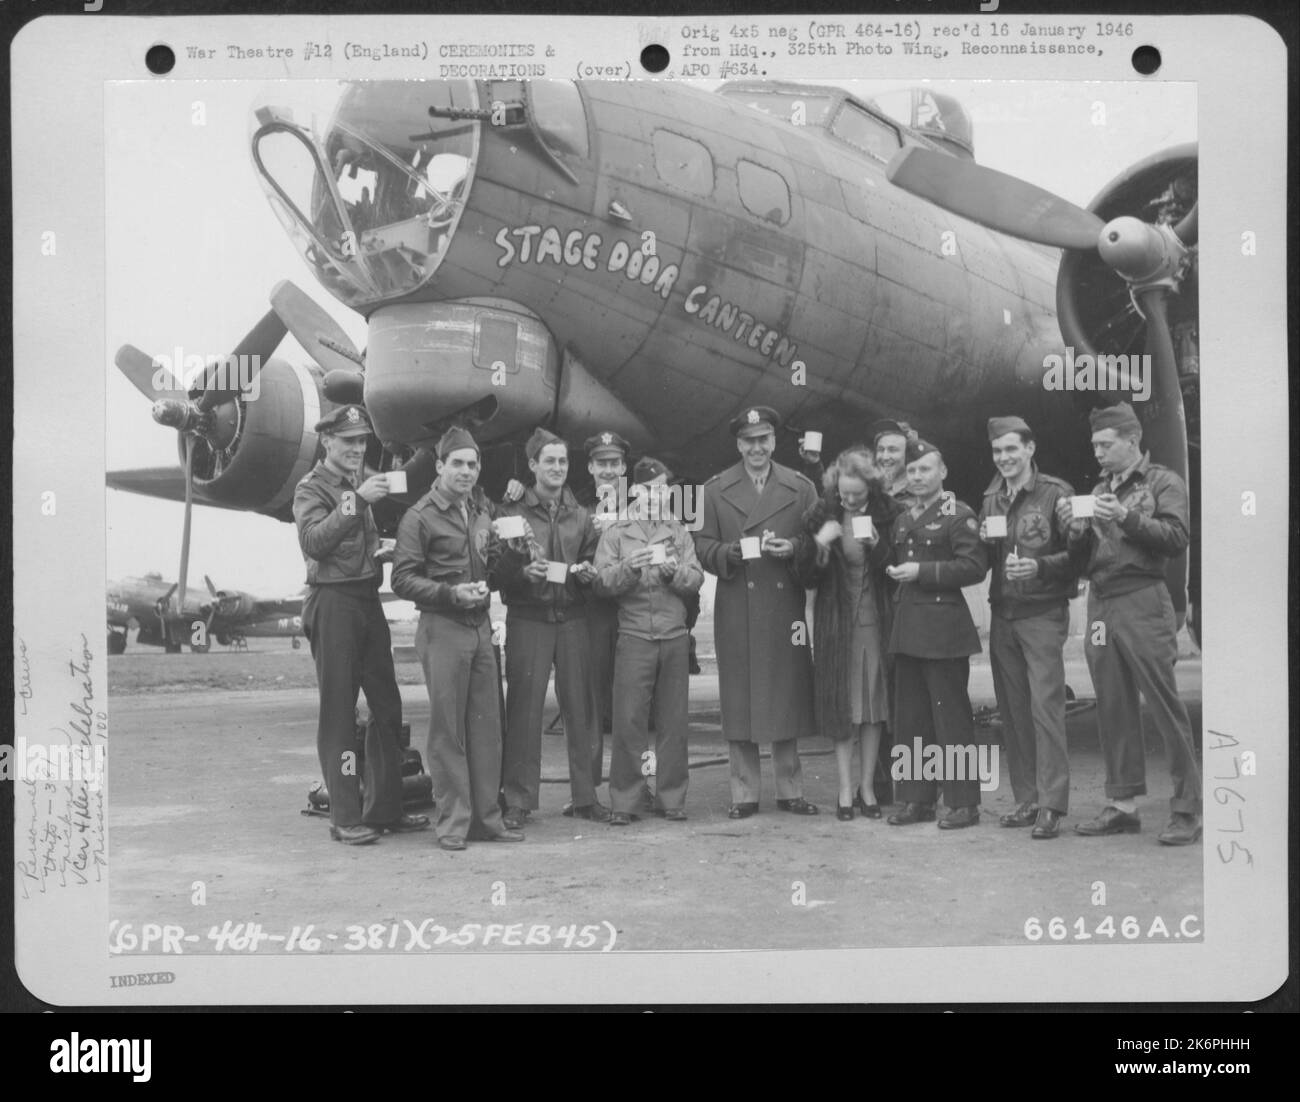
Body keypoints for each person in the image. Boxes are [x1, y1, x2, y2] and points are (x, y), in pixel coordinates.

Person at [1060, 402, 1202, 846]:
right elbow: (1081, 562)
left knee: (1163, 703)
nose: (1098, 454)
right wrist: (1075, 530)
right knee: (1113, 703)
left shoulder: (1163, 482)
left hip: (1142, 598)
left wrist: (1126, 516)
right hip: (1101, 602)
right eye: (1095, 446)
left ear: (1132, 441)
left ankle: (1187, 808)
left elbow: (1177, 538)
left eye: (1106, 444)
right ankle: (1122, 805)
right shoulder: (1101, 488)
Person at [293, 404, 428, 845]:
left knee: (387, 707)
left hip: (366, 601)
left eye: (361, 440)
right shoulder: (312, 488)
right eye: (347, 440)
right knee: (339, 714)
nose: (356, 448)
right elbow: (314, 541)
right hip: (333, 604)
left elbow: (348, 543)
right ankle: (346, 815)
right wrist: (357, 501)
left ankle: (386, 809)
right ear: (326, 441)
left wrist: (381, 550)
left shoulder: (354, 485)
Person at [391, 426, 523, 851]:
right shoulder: (419, 516)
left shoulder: (482, 512)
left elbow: (495, 574)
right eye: (458, 464)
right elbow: (402, 579)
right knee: (449, 730)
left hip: (481, 629)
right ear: (440, 466)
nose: (466, 471)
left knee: (488, 729)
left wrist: (514, 559)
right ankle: (453, 821)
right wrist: (449, 593)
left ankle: (487, 819)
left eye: (473, 464)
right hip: (443, 629)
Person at [693, 406, 820, 819]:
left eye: (764, 439)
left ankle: (790, 789)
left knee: (787, 693)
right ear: (738, 444)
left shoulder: (801, 487)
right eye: (749, 441)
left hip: (785, 606)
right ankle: (744, 793)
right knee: (741, 697)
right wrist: (728, 552)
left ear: (774, 442)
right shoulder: (714, 490)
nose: (757, 448)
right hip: (738, 603)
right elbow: (701, 545)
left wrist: (797, 549)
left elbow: (819, 542)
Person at [494, 428, 606, 826]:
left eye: (562, 461)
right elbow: (496, 573)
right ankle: (519, 801)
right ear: (532, 466)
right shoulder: (510, 514)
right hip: (529, 619)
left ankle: (586, 797)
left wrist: (590, 573)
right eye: (549, 461)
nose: (557, 468)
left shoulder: (582, 516)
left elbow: (593, 559)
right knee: (524, 710)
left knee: (582, 710)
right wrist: (522, 571)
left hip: (574, 619)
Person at [979, 416, 1078, 840]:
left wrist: (1038, 566)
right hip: (1003, 615)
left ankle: (1052, 804)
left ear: (1030, 449)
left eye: (1011, 450)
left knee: (1045, 711)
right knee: (1014, 715)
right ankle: (1027, 799)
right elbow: (984, 561)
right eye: (998, 451)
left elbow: (1079, 557)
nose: (1004, 458)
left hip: (1041, 614)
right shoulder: (990, 499)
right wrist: (980, 539)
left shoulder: (1057, 494)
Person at [884, 439, 989, 829]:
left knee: (951, 720)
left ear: (942, 472)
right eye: (911, 471)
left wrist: (922, 574)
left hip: (944, 630)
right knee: (911, 720)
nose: (916, 476)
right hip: (909, 626)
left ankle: (963, 803)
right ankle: (916, 799)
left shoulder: (959, 515)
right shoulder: (903, 518)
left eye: (924, 469)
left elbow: (973, 566)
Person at [594, 457, 704, 825]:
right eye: (648, 489)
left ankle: (672, 799)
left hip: (674, 636)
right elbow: (602, 582)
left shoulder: (679, 531)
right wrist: (630, 568)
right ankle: (626, 801)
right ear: (634, 492)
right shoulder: (616, 533)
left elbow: (697, 577)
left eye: (662, 489)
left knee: (674, 723)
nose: (656, 495)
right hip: (635, 634)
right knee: (629, 721)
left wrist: (676, 574)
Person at [795, 448, 904, 820]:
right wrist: (819, 545)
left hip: (877, 621)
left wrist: (878, 546)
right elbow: (804, 576)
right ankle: (844, 791)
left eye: (857, 494)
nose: (850, 500)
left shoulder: (889, 515)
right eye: (844, 493)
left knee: (874, 710)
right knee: (845, 709)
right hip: (837, 625)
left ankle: (868, 789)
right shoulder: (822, 514)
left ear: (870, 488)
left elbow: (898, 567)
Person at [577, 430, 631, 787]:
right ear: (591, 467)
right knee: (591, 704)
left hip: (632, 611)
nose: (609, 470)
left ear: (624, 467)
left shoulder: (642, 504)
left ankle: (635, 785)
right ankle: (587, 790)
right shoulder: (576, 507)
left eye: (615, 463)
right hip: (593, 614)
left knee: (633, 707)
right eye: (602, 463)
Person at [871, 419, 915, 507]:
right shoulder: (871, 491)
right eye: (881, 450)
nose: (885, 457)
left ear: (908, 454)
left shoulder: (923, 493)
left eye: (892, 450)